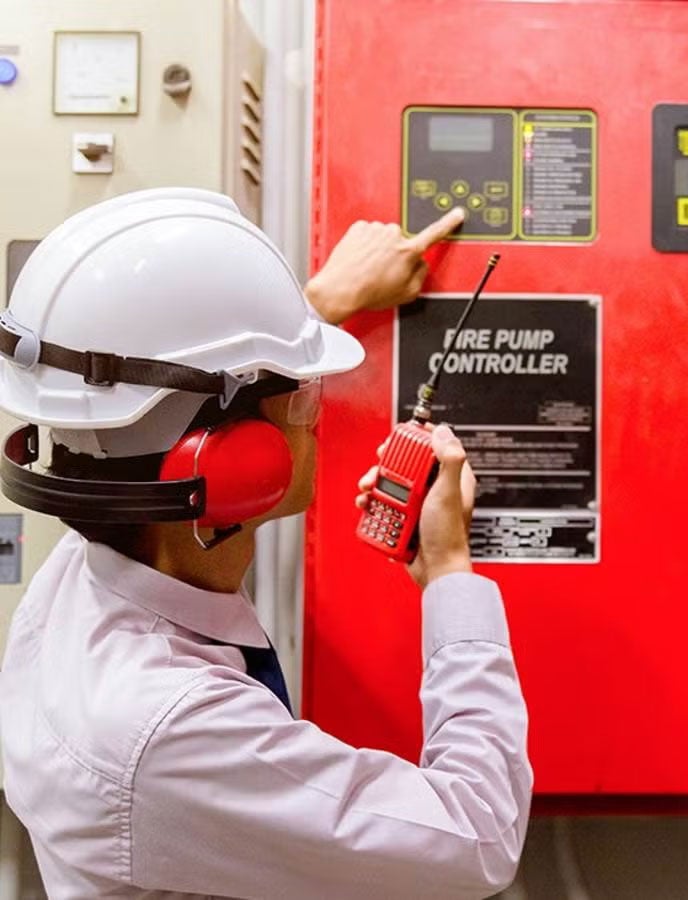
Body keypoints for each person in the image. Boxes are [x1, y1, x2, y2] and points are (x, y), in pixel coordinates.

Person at [0, 188, 531, 899]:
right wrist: (449, 573)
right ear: (236, 463)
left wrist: (316, 304)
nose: (319, 413)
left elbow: (163, 393)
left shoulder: (76, 579)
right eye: (305, 396)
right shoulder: (176, 731)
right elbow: (478, 839)